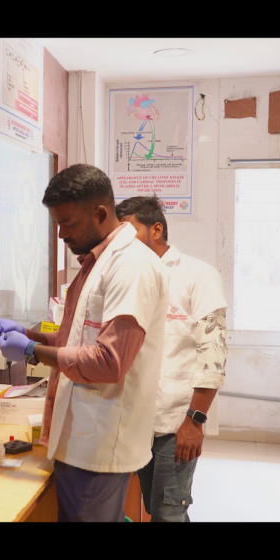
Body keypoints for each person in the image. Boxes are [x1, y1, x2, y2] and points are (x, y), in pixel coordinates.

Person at [0, 164, 169, 522]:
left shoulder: (131, 267)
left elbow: (109, 362)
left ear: (100, 214)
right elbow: (78, 338)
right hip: (81, 443)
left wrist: (30, 351)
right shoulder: (97, 262)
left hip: (100, 447)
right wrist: (30, 335)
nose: (61, 235)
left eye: (68, 224)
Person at [115, 195, 229, 523]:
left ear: (156, 230)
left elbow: (214, 353)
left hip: (177, 421)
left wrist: (194, 421)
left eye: (128, 231)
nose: (121, 241)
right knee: (157, 509)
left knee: (169, 512)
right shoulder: (128, 275)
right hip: (136, 423)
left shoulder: (197, 274)